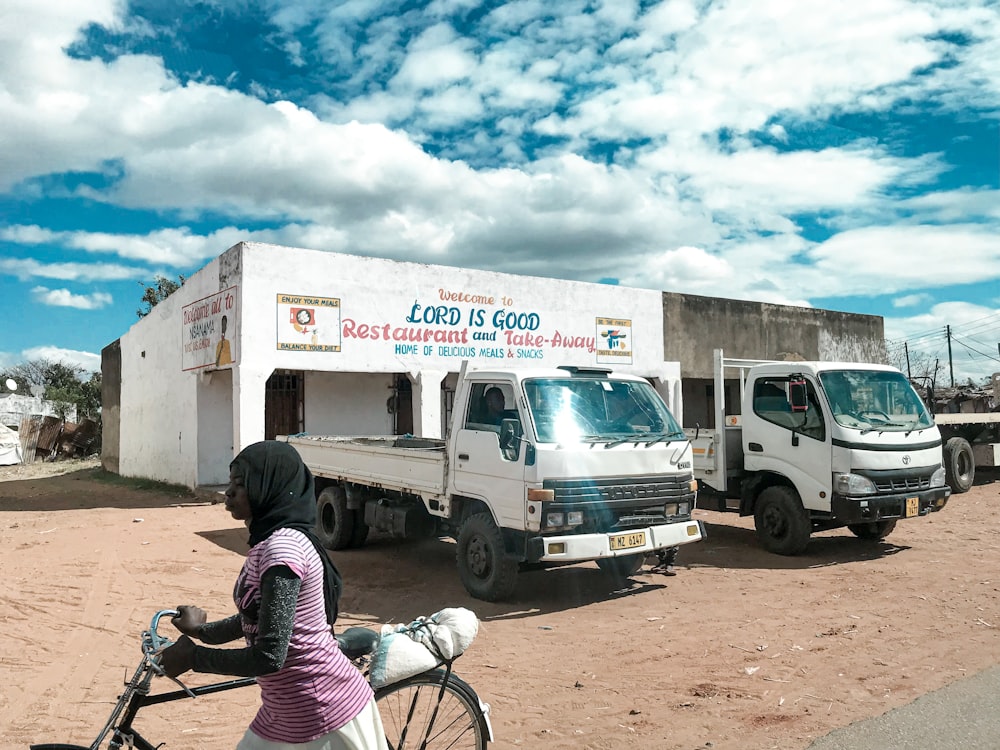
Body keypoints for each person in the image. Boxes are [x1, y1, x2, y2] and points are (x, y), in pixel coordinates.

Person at [158, 441, 387, 750]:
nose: (229, 492)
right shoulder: (268, 544)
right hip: (284, 710)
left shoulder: (283, 550)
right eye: (231, 482)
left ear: (271, 488)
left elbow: (269, 656)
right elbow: (256, 618)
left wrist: (194, 658)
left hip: (320, 713)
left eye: (241, 484)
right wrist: (202, 632)